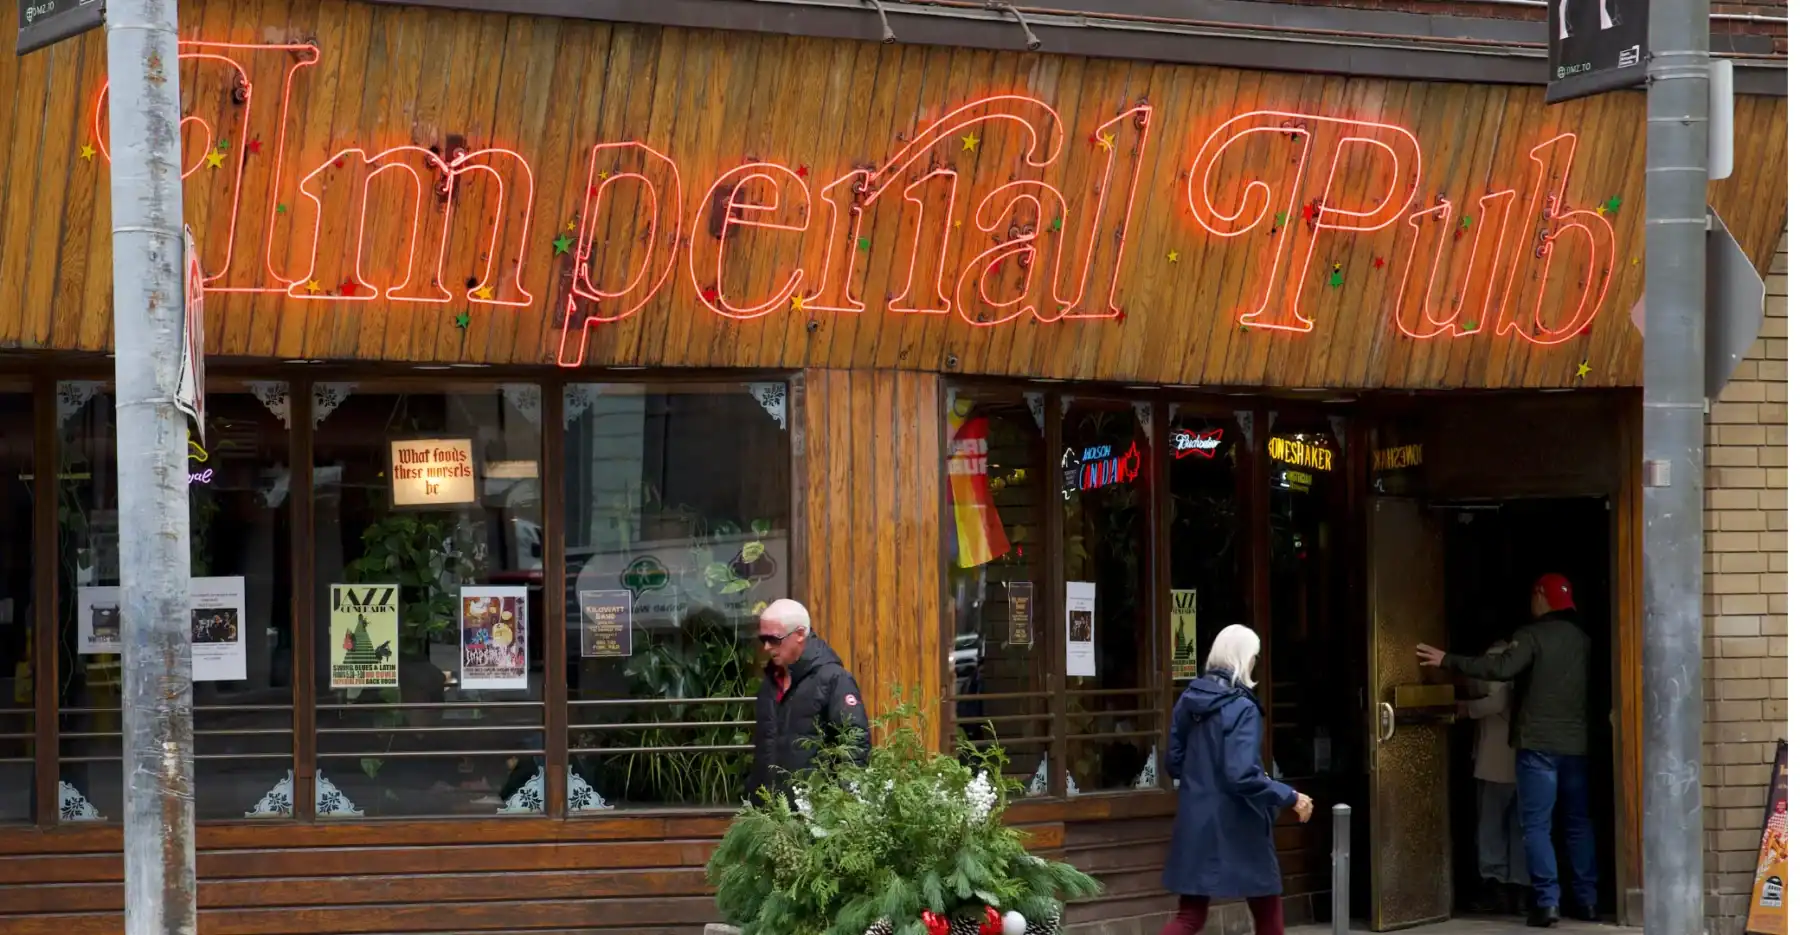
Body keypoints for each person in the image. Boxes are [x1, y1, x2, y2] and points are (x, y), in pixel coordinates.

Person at [1416, 573, 1595, 928]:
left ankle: (1547, 903)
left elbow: (1500, 668)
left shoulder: (1530, 636)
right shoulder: (1583, 640)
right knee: (1577, 824)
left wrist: (1449, 659)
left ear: (1540, 595)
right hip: (1576, 746)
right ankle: (1588, 902)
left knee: (1536, 826)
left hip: (1538, 746)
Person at [1161, 624, 1313, 935]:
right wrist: (1291, 796)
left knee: (1190, 916)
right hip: (1241, 823)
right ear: (1245, 659)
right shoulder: (1242, 707)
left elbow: (1174, 763)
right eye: (1255, 657)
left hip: (1196, 818)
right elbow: (1241, 773)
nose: (1256, 663)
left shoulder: (1188, 699)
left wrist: (1202, 777)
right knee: (1268, 911)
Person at [746, 598, 870, 803]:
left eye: (774, 639)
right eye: (762, 640)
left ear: (800, 634)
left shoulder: (834, 679)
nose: (767, 647)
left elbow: (854, 745)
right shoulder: (770, 683)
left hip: (816, 813)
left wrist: (842, 805)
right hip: (769, 814)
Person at [1463, 639, 1530, 913]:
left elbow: (1498, 699)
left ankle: (1496, 887)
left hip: (1495, 758)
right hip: (1522, 756)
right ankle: (1521, 890)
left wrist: (1466, 708)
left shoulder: (1496, 655)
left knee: (1492, 826)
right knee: (1519, 826)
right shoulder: (1524, 656)